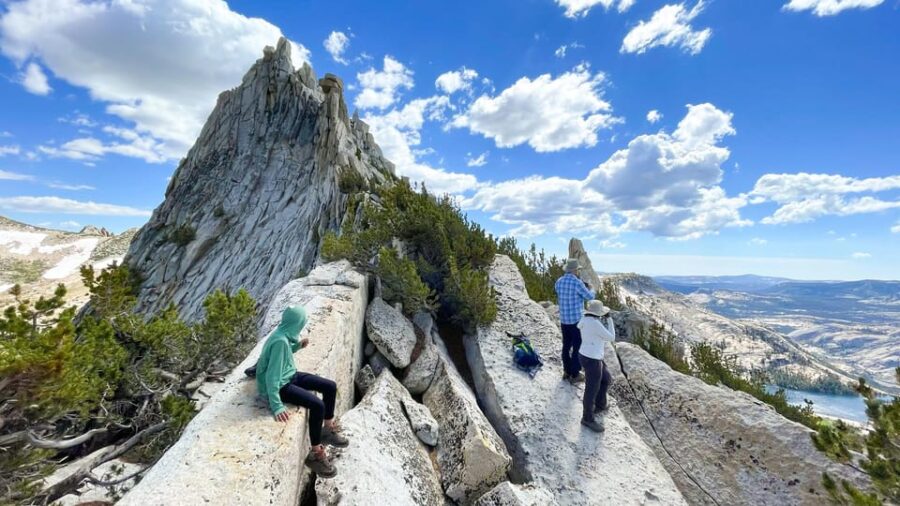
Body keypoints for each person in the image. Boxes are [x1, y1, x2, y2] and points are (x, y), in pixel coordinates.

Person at [256, 306, 348, 477]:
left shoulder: (282, 335)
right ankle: (315, 454)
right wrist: (276, 405)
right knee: (318, 406)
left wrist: (297, 346)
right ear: (295, 324)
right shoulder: (280, 342)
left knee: (330, 386)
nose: (301, 327)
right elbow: (271, 377)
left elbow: (281, 355)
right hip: (281, 384)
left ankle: (327, 429)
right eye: (301, 324)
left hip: (289, 374)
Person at [554, 258, 596, 384]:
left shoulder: (559, 281)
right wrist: (592, 288)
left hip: (564, 320)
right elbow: (590, 297)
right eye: (578, 269)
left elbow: (558, 291)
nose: (578, 271)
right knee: (578, 346)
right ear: (575, 270)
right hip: (576, 321)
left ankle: (566, 371)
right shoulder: (577, 283)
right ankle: (575, 373)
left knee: (566, 346)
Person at [577, 300, 616, 432]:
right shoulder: (595, 324)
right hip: (592, 359)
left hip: (587, 355)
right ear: (598, 314)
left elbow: (579, 326)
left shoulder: (585, 319)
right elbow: (611, 337)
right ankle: (587, 418)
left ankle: (600, 404)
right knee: (591, 389)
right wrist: (609, 319)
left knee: (606, 379)